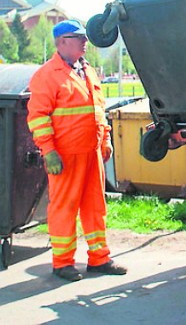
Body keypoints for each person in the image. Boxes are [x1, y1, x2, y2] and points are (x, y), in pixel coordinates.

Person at [27, 19, 127, 282]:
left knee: (96, 207)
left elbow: (99, 110)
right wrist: (48, 151)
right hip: (65, 155)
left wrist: (105, 140)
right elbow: (38, 117)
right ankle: (62, 262)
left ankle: (99, 258)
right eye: (78, 38)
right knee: (64, 208)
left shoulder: (88, 71)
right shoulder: (47, 75)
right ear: (62, 42)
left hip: (91, 151)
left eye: (85, 37)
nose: (85, 42)